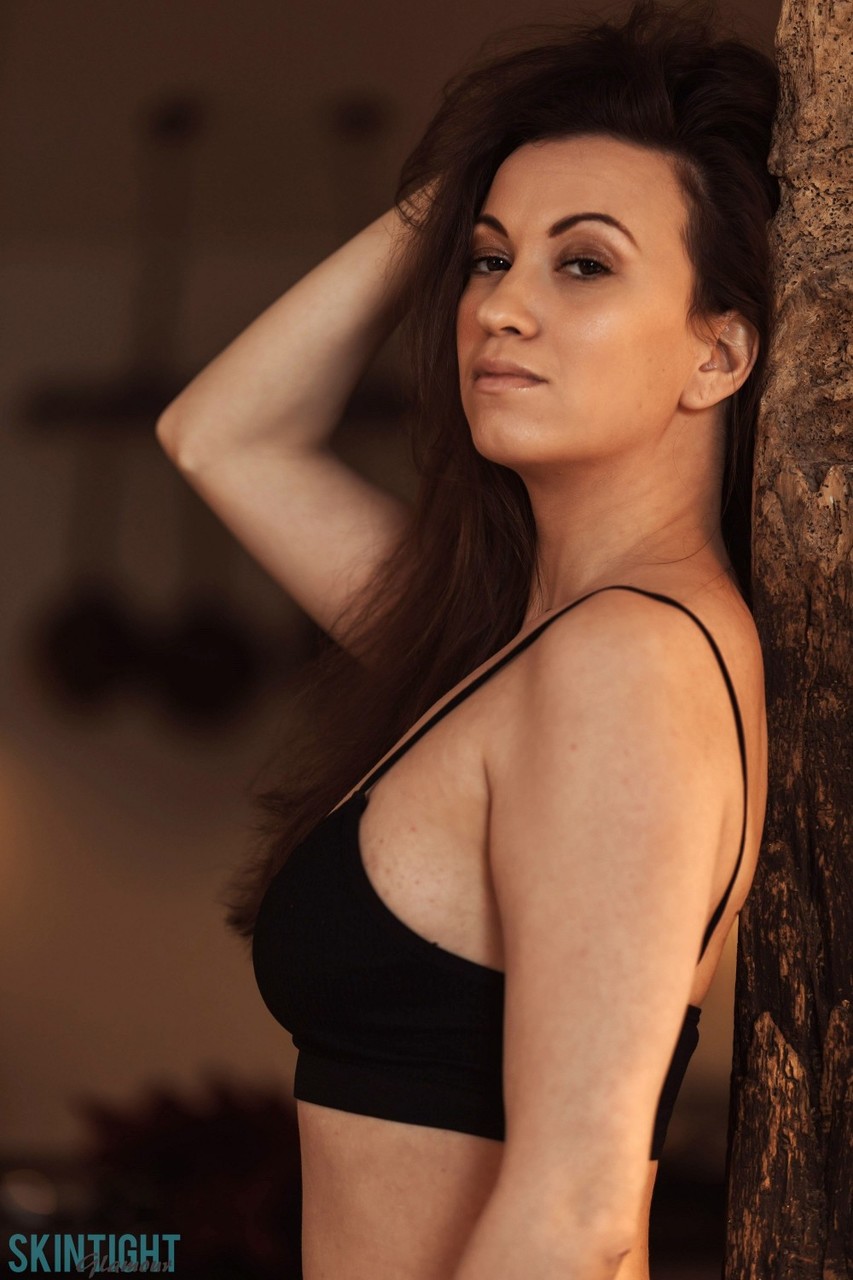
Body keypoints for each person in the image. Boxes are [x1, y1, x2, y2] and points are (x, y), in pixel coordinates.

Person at [156, 0, 778, 1275]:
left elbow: (574, 1216)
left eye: (584, 264)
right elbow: (220, 436)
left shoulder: (625, 664)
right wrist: (481, 175)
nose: (501, 308)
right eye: (488, 261)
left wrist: (508, 177)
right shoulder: (515, 642)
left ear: (716, 355)